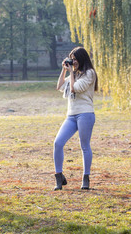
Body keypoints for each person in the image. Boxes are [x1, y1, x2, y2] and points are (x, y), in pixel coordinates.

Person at [53, 47, 98, 190]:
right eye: (71, 59)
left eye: (75, 59)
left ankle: (86, 178)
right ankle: (59, 177)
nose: (73, 61)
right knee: (58, 143)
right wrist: (65, 70)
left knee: (84, 146)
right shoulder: (75, 73)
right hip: (71, 115)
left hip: (85, 113)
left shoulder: (89, 74)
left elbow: (74, 88)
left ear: (82, 58)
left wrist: (72, 72)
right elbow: (60, 86)